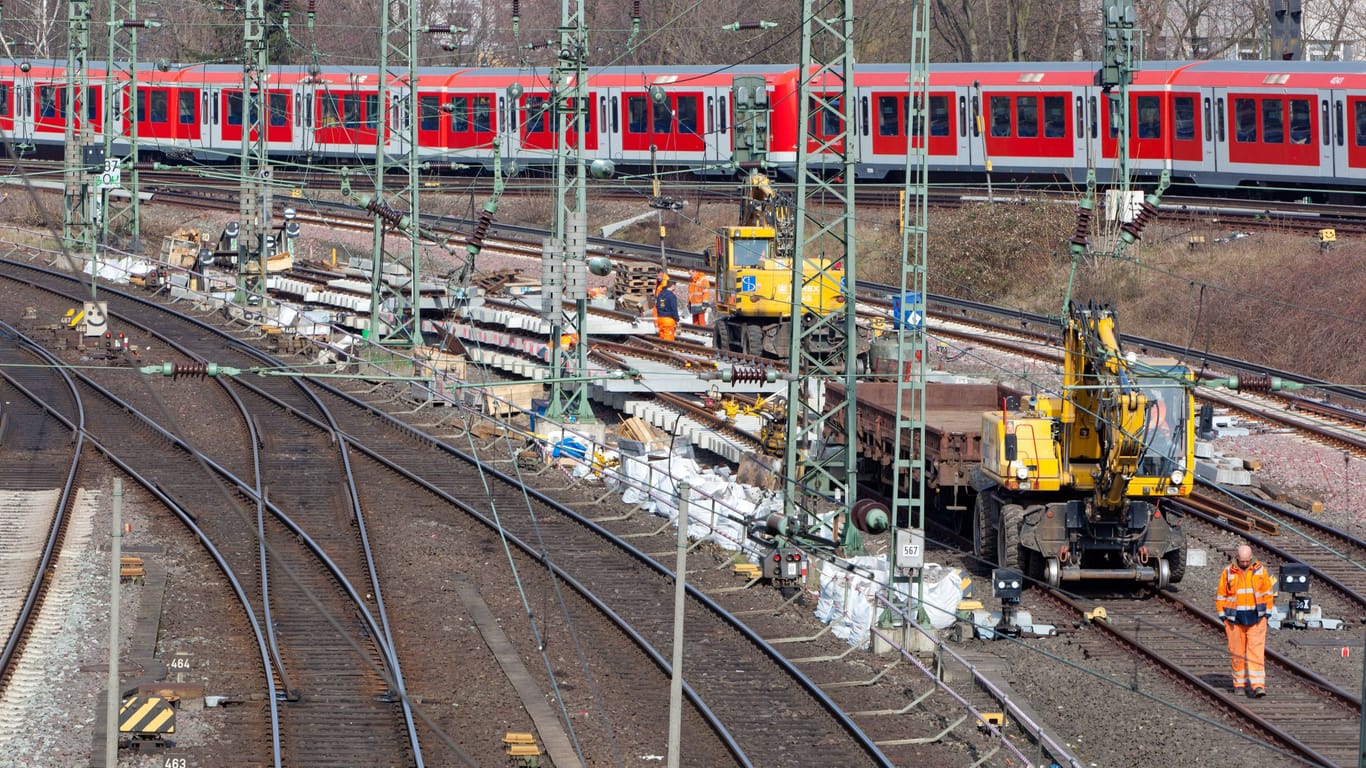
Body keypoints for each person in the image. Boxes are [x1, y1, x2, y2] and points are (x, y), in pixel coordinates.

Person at [1216, 544, 1275, 697]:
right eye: (1242, 561)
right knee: (1237, 654)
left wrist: (1266, 614)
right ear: (1237, 558)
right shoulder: (1228, 572)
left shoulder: (1260, 571)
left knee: (1256, 654)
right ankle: (1239, 684)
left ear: (1251, 558)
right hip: (1234, 620)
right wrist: (1223, 616)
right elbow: (1221, 595)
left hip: (1257, 619)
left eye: (1247, 560)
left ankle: (1258, 686)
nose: (1244, 563)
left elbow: (1268, 593)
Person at [653, 270, 679, 341]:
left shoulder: (660, 294)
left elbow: (658, 306)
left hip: (660, 319)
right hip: (668, 321)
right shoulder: (671, 296)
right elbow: (674, 308)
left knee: (662, 340)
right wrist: (677, 319)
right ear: (673, 285)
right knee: (668, 342)